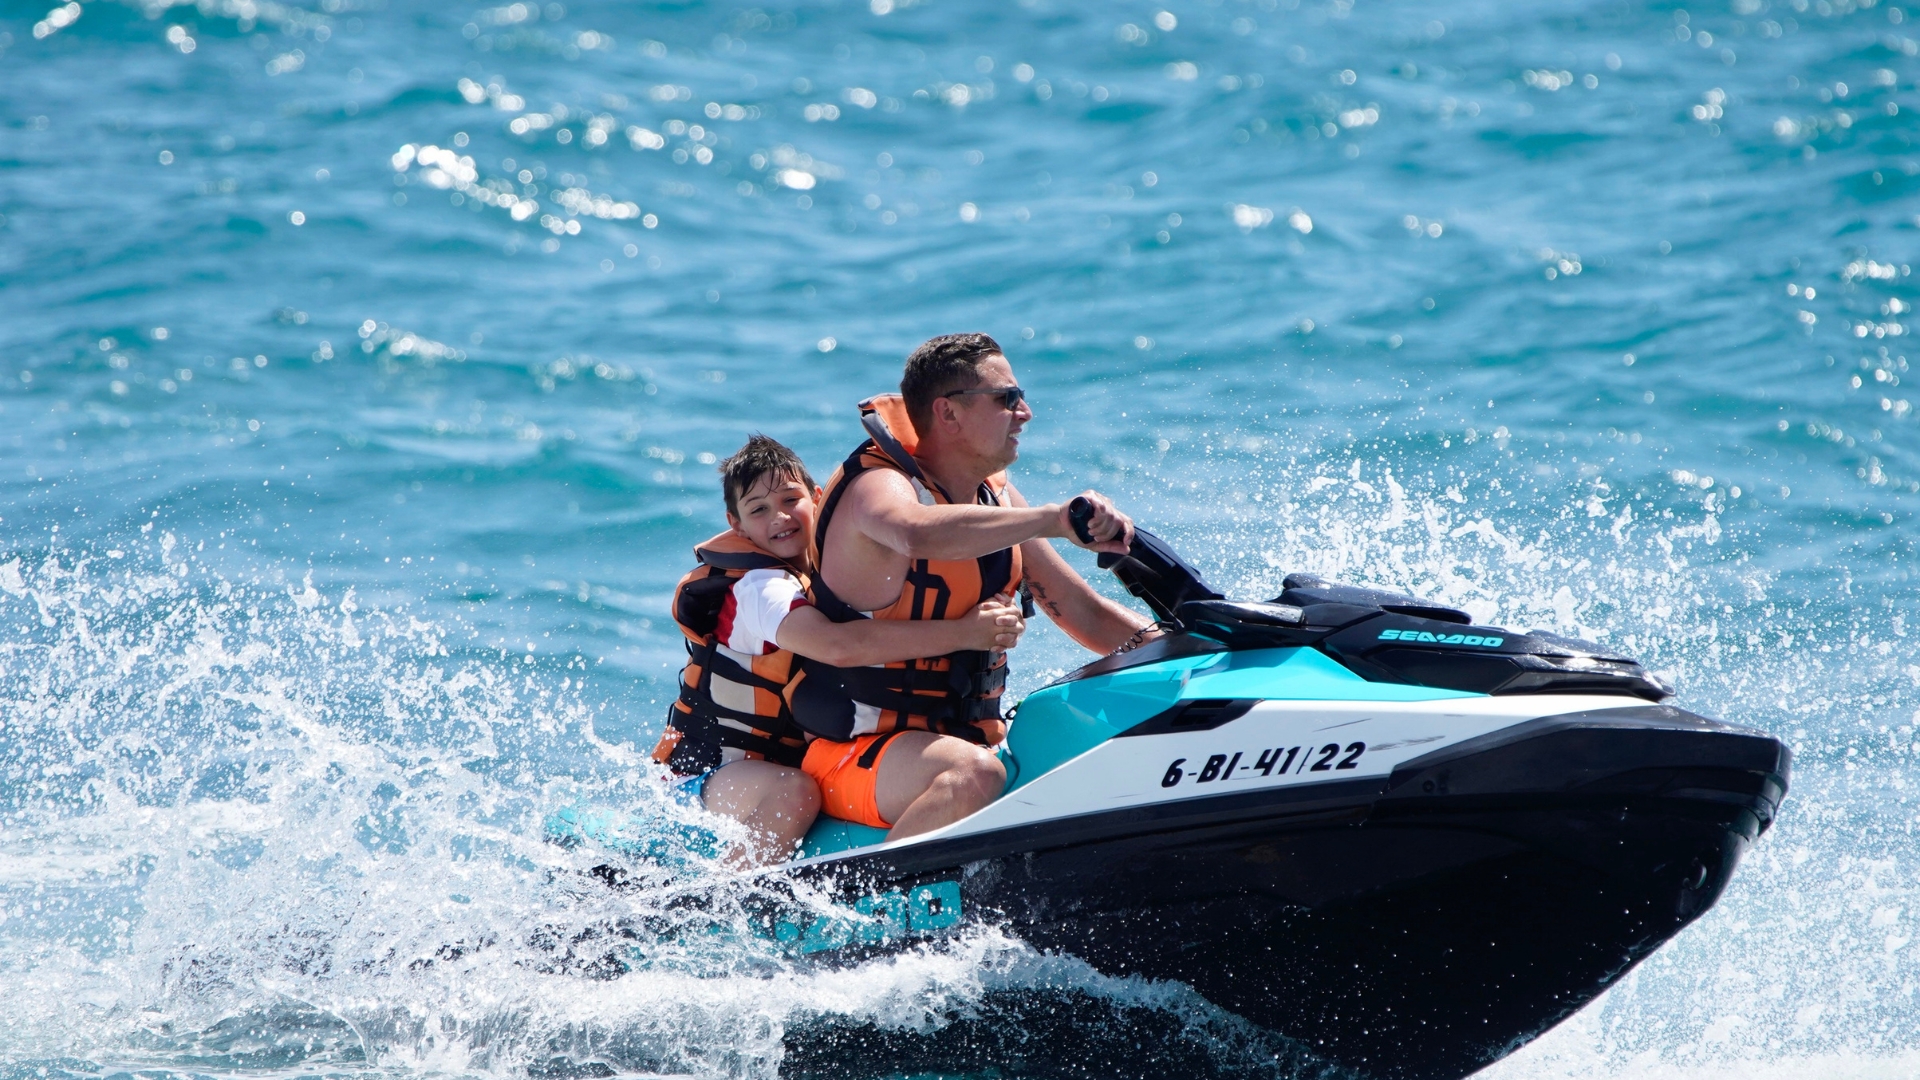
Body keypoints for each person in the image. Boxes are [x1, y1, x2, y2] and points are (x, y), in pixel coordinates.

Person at [787, 333, 1155, 842]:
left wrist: (1183, 648)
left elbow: (1082, 612)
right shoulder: (877, 486)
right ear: (949, 412)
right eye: (1007, 398)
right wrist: (1052, 519)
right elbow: (915, 532)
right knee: (974, 774)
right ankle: (881, 893)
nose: (1025, 412)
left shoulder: (995, 500)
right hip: (854, 753)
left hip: (961, 742)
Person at [651, 434, 1026, 868]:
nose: (780, 517)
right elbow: (837, 646)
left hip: (774, 766)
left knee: (795, 784)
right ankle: (726, 900)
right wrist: (964, 633)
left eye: (790, 499)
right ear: (737, 525)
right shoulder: (759, 588)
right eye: (759, 510)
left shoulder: (829, 572)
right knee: (793, 792)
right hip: (705, 773)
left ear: (816, 497)